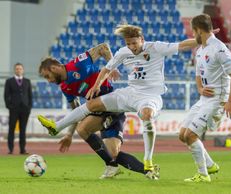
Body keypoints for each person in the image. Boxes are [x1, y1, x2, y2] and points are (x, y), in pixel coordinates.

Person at [37, 24, 203, 173]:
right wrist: (98, 83)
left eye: (134, 43)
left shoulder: (155, 47)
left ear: (142, 40)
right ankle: (57, 128)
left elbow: (182, 45)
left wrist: (203, 39)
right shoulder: (123, 52)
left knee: (144, 115)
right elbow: (104, 71)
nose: (131, 47)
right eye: (128, 44)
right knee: (95, 114)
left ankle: (147, 160)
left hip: (146, 96)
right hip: (128, 93)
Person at [38, 43, 159, 179]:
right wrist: (69, 135)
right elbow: (76, 113)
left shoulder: (78, 64)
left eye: (47, 76)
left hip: (111, 103)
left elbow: (103, 47)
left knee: (83, 129)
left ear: (54, 68)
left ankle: (111, 166)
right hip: (97, 109)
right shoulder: (65, 88)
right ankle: (148, 171)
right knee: (112, 154)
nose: (48, 81)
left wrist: (112, 65)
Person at [178, 14, 231, 183]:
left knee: (191, 135)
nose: (192, 34)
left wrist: (230, 101)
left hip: (217, 99)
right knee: (183, 135)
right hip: (204, 99)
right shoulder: (200, 49)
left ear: (199, 30)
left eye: (193, 31)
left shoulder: (219, 49)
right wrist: (199, 88)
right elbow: (198, 74)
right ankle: (210, 165)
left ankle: (203, 175)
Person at [4, 63, 32, 154]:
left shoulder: (27, 81)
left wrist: (29, 107)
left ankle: (22, 149)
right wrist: (9, 106)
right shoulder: (9, 81)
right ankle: (10, 149)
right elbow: (6, 95)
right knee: (11, 129)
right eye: (17, 69)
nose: (18, 70)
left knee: (23, 130)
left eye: (20, 69)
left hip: (25, 109)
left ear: (23, 70)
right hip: (14, 109)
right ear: (14, 70)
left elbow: (30, 95)